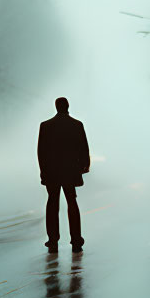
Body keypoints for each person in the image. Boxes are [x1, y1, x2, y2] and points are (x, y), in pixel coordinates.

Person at [37, 97, 90, 253]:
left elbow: (41, 152)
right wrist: (84, 166)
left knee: (52, 204)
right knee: (72, 203)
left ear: (56, 107)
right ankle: (76, 240)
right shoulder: (77, 125)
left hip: (52, 171)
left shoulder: (45, 126)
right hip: (70, 170)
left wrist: (43, 171)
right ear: (67, 106)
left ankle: (53, 241)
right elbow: (83, 148)